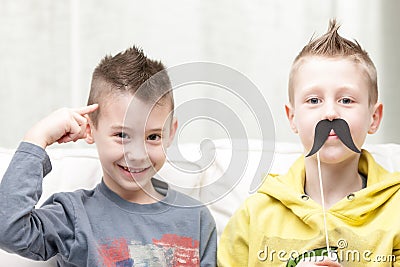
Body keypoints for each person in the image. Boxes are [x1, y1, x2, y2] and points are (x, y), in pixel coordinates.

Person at [0, 46, 217, 266]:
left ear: (170, 133)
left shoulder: (196, 218)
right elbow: (8, 230)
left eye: (152, 137)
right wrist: (38, 138)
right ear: (90, 127)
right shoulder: (73, 215)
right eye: (122, 135)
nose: (138, 154)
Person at [218, 19, 400, 266]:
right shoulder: (256, 213)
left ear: (374, 117)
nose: (330, 113)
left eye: (346, 100)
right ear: (292, 118)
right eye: (314, 100)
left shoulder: (396, 211)